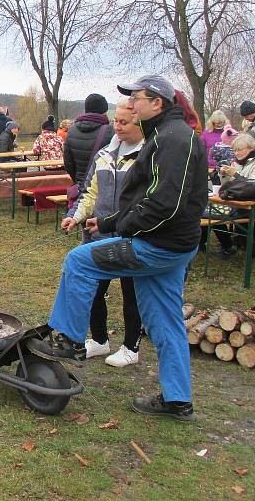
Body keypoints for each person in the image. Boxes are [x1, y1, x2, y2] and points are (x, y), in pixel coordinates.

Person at [37, 75, 207, 421]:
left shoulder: (172, 140)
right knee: (167, 321)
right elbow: (147, 197)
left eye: (137, 99)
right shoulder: (166, 135)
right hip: (171, 245)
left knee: (80, 260)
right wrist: (110, 222)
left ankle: (68, 339)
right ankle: (178, 401)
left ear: (157, 103)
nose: (131, 105)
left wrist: (121, 227)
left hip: (159, 245)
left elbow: (164, 205)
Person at [62, 100, 145, 367]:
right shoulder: (104, 155)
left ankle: (131, 347)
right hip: (98, 234)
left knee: (131, 292)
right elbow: (90, 192)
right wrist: (75, 217)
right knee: (94, 290)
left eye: (124, 122)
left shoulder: (147, 157)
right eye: (115, 122)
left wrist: (113, 223)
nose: (117, 127)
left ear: (140, 123)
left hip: (131, 236)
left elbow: (145, 204)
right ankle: (99, 340)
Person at [212, 133, 255, 259]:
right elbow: (228, 187)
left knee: (216, 213)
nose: (237, 153)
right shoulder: (239, 163)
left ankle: (230, 246)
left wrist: (236, 175)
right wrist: (224, 175)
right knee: (211, 210)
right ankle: (230, 244)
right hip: (240, 202)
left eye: (240, 150)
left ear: (251, 148)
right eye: (235, 150)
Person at [63, 93, 112, 186]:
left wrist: (78, 179)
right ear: (104, 111)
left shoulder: (72, 130)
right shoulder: (109, 131)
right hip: (103, 185)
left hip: (81, 185)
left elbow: (68, 163)